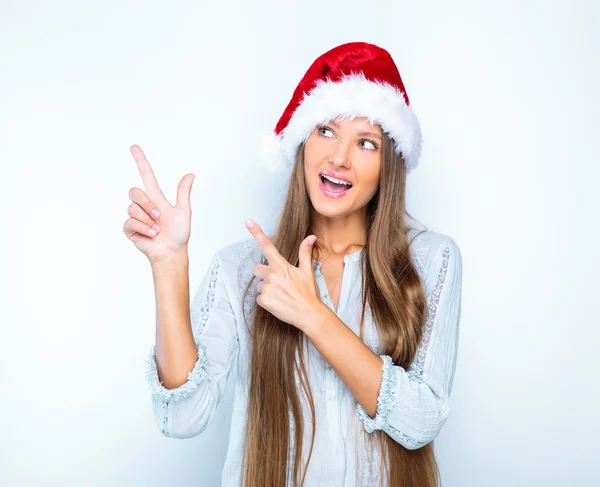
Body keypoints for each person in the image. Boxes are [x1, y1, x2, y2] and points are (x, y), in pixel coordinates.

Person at [124, 41, 463, 487]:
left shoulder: (431, 259)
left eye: (366, 143)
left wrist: (313, 316)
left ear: (389, 165)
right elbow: (182, 418)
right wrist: (168, 265)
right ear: (302, 142)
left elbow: (420, 423)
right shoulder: (239, 269)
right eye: (325, 130)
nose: (339, 157)